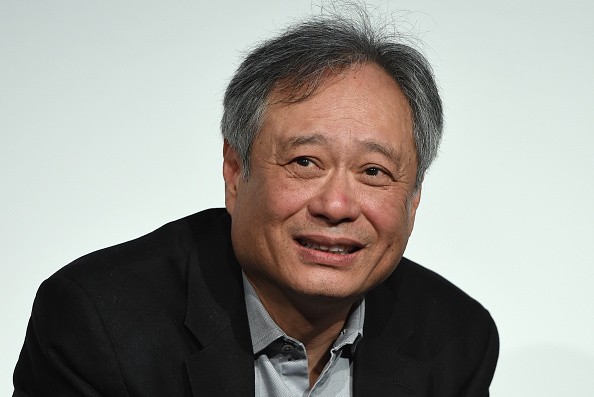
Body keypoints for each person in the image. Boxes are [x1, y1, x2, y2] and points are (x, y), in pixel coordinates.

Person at [13, 10, 498, 397]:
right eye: (305, 162)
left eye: (374, 172)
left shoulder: (456, 340)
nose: (336, 205)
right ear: (234, 169)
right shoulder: (100, 323)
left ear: (414, 200)